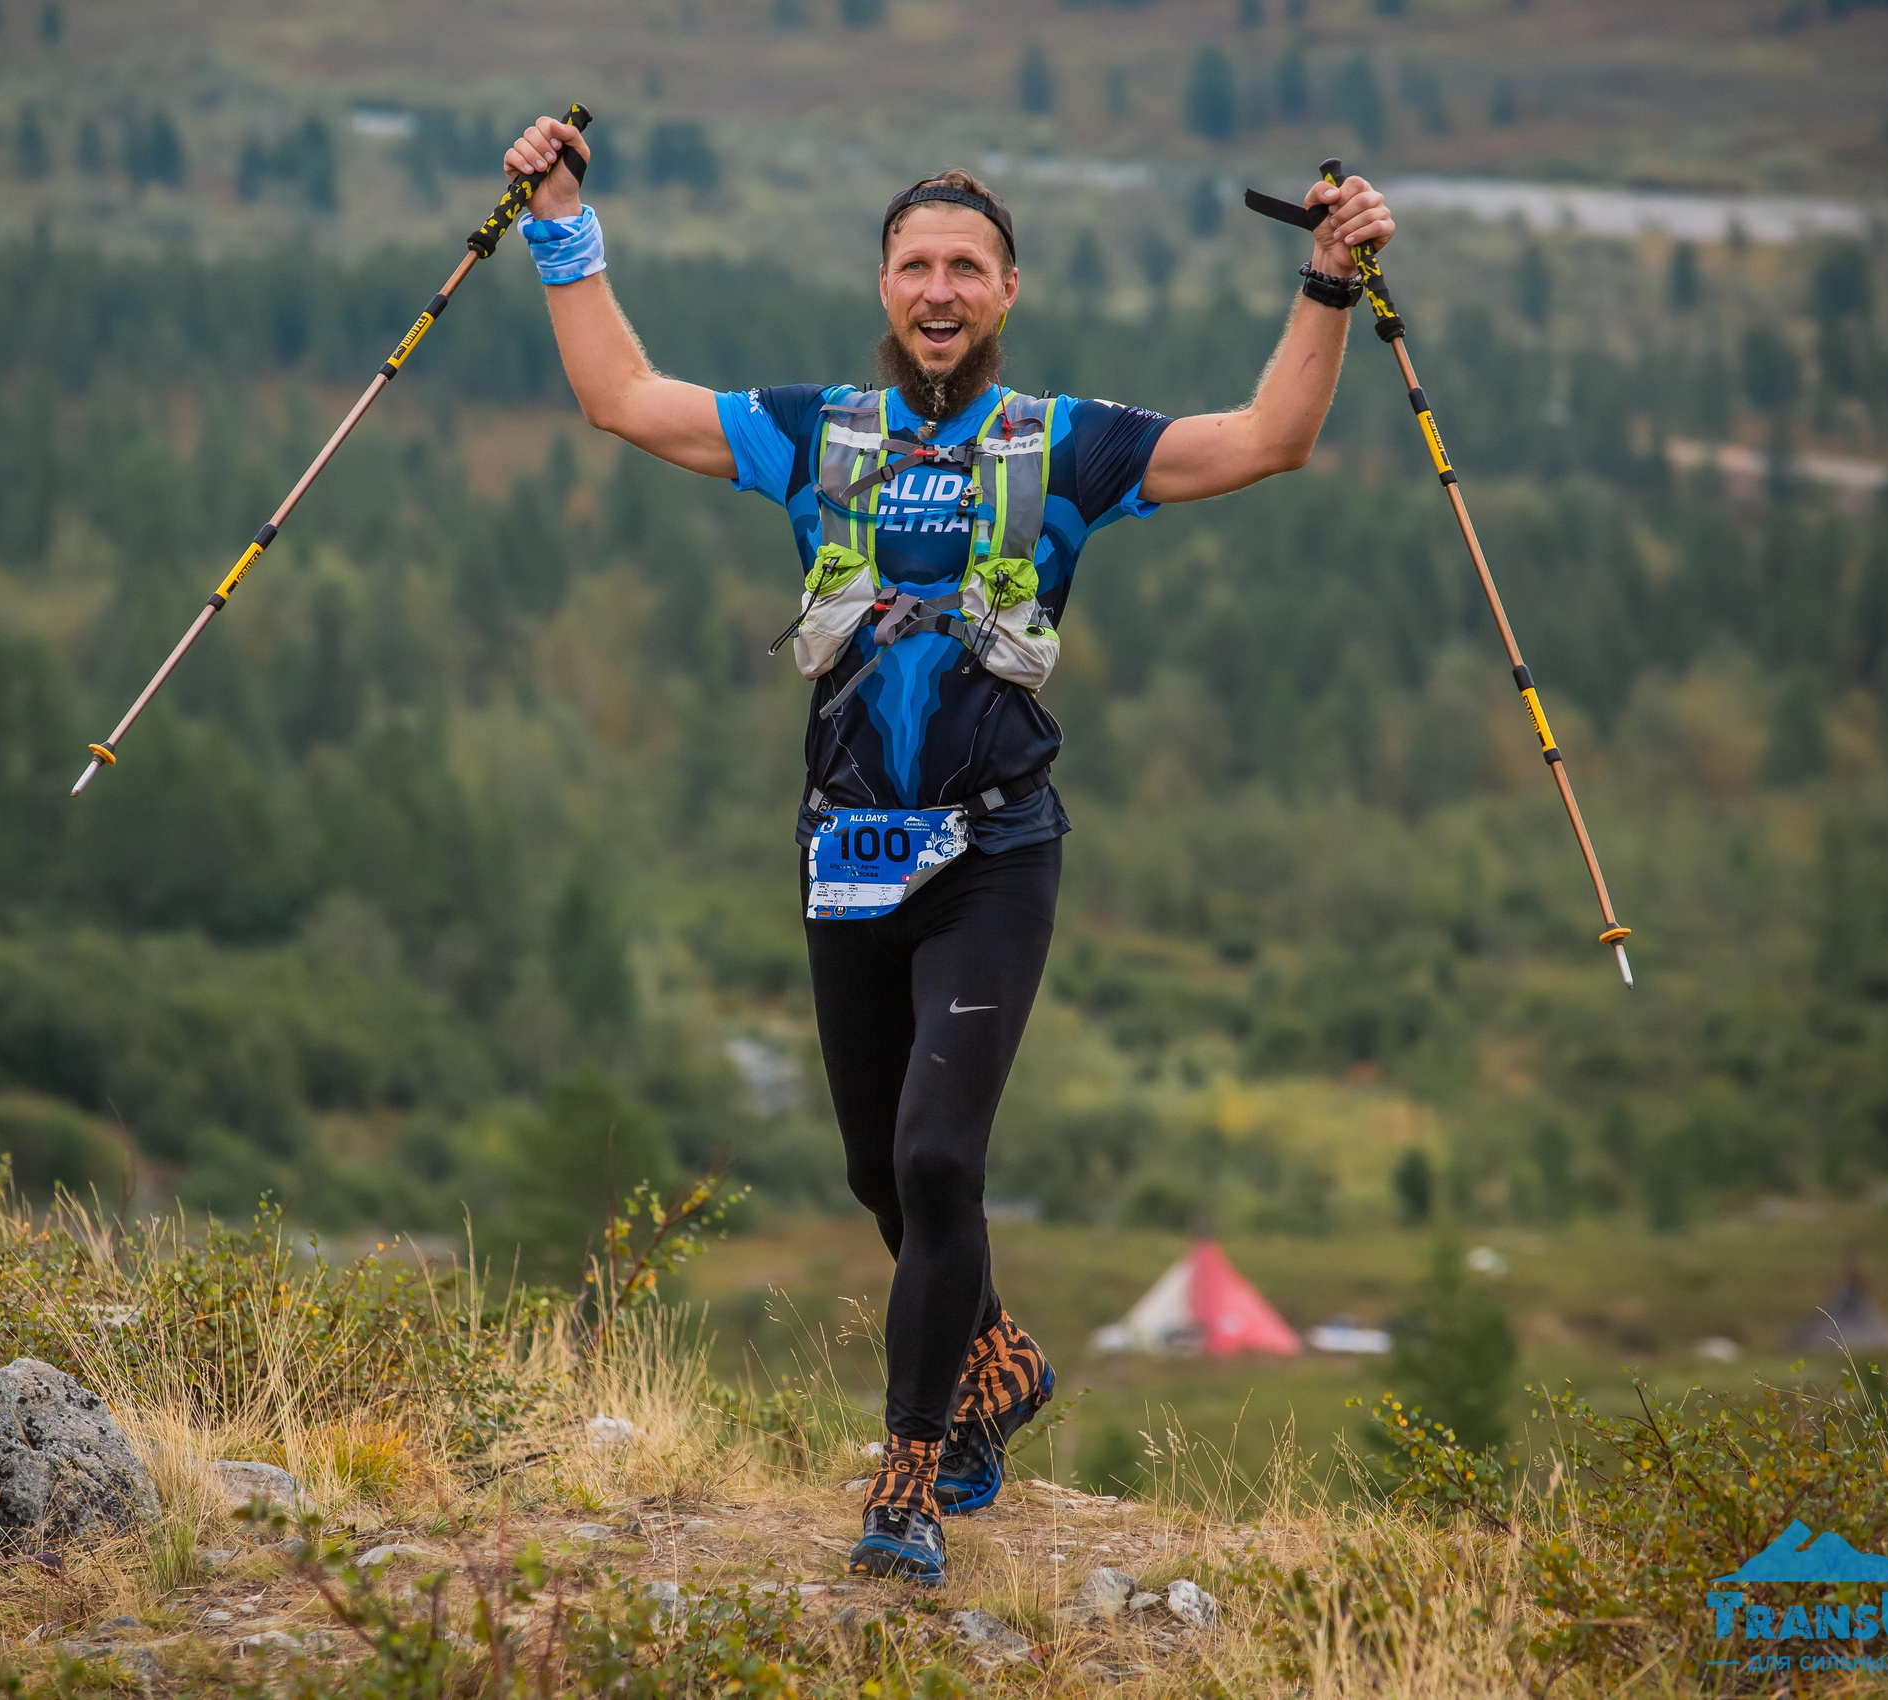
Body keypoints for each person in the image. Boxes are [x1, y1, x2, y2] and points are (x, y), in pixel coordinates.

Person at [502, 114, 1393, 1585]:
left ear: (1007, 292)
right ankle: (1001, 1366)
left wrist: (1328, 285)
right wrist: (560, 221)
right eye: (915, 263)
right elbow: (620, 398)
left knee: (935, 1159)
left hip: (994, 853)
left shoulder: (1068, 444)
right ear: (882, 286)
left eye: (966, 266)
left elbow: (1272, 440)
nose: (938, 288)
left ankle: (910, 1474)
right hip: (846, 853)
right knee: (878, 1176)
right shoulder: (813, 434)